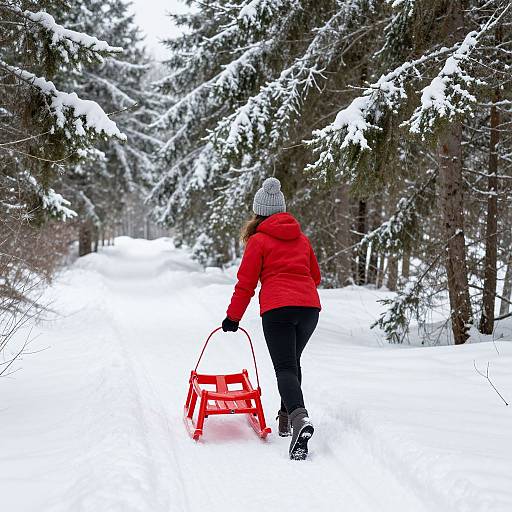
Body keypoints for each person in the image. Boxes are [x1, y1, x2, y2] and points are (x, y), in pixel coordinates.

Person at [222, 177, 321, 460]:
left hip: (278, 309)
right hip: (309, 310)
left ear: (259, 213)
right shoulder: (302, 239)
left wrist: (233, 317)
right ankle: (286, 418)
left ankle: (300, 418)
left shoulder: (259, 241)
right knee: (292, 362)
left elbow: (246, 283)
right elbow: (316, 277)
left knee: (285, 368)